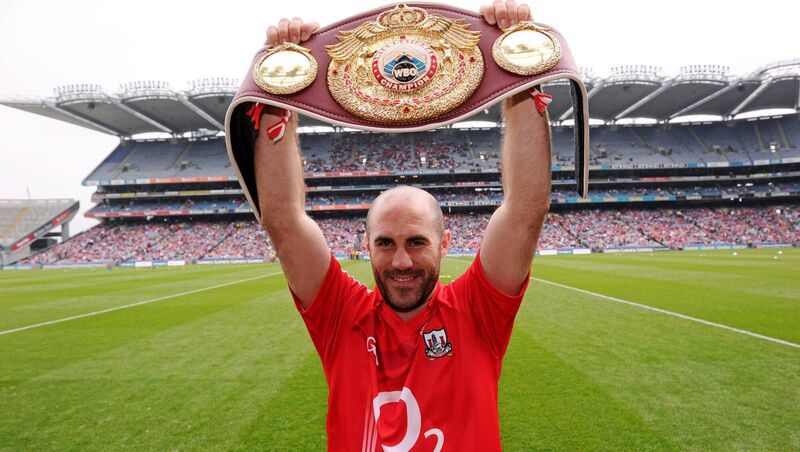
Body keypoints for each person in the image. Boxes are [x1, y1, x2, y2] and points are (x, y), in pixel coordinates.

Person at [255, 2, 549, 450]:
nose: (401, 261)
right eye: (386, 243)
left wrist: (520, 69)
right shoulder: (341, 315)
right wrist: (280, 90)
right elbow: (284, 222)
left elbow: (526, 206)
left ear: (445, 243)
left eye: (417, 241)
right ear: (366, 245)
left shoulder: (477, 313)